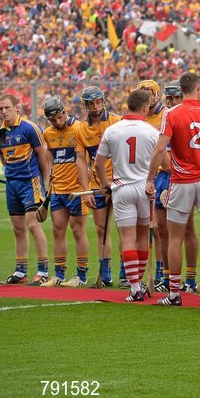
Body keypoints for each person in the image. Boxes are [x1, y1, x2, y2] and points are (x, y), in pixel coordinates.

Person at [146, 73, 200, 307]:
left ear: (181, 91)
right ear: (199, 89)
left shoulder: (172, 114)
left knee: (175, 237)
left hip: (181, 181)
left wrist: (150, 179)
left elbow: (160, 149)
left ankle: (173, 294)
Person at [95, 90, 160, 302]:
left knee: (128, 238)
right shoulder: (151, 131)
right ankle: (139, 282)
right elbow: (165, 162)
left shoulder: (112, 130)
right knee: (143, 237)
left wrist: (106, 185)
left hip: (122, 188)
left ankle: (134, 288)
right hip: (144, 187)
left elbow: (98, 162)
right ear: (144, 107)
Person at [0, 94, 51, 284]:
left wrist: (44, 182)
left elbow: (43, 156)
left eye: (6, 108)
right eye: (0, 108)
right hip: (12, 184)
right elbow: (3, 159)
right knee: (18, 229)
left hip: (30, 183)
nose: (3, 111)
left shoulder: (29, 128)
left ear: (16, 108)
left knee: (33, 224)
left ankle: (43, 272)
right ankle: (20, 272)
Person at [73, 86, 122, 287]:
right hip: (97, 185)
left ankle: (126, 274)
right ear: (85, 106)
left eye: (97, 102)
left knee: (124, 228)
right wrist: (86, 191)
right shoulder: (80, 129)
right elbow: (81, 161)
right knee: (101, 228)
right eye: (90, 103)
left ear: (103, 101)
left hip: (120, 183)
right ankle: (106, 274)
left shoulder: (117, 122)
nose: (95, 106)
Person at [41, 96, 91, 287]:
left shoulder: (79, 128)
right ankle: (58, 275)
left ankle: (81, 276)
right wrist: (48, 181)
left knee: (78, 230)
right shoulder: (48, 133)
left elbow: (86, 157)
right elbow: (49, 158)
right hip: (58, 190)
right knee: (57, 231)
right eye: (52, 120)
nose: (56, 122)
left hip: (76, 191)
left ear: (64, 112)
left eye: (58, 117)